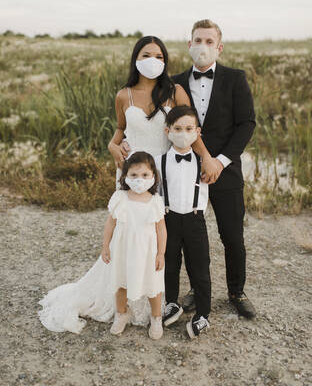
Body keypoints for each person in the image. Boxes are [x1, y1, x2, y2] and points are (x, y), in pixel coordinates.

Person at [172, 19, 257, 318]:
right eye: (198, 40)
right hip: (185, 172)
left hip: (226, 170)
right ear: (189, 45)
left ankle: (236, 291)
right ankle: (198, 289)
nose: (203, 46)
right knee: (192, 238)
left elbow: (247, 124)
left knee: (232, 236)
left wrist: (220, 161)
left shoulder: (236, 78)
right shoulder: (175, 82)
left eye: (209, 42)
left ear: (219, 47)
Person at [38, 152, 167, 340]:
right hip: (122, 249)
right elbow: (110, 224)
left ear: (153, 176)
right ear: (125, 177)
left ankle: (156, 317)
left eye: (145, 175)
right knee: (121, 282)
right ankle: (122, 313)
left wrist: (161, 253)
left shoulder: (155, 201)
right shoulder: (121, 198)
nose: (140, 180)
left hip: (147, 252)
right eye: (134, 175)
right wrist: (105, 246)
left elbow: (161, 229)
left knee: (152, 285)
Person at [108, 35, 220, 185]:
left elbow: (190, 130)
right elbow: (121, 128)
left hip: (167, 168)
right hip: (133, 168)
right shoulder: (123, 95)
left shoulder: (175, 92)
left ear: (164, 62)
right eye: (146, 55)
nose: (152, 60)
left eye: (159, 57)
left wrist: (206, 157)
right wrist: (112, 146)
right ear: (136, 59)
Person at [155, 106, 211, 339]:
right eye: (177, 129)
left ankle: (203, 314)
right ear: (168, 131)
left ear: (197, 132)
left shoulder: (203, 162)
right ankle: (171, 302)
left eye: (188, 129)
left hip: (195, 219)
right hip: (168, 218)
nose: (183, 133)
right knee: (170, 263)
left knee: (199, 266)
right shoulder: (159, 160)